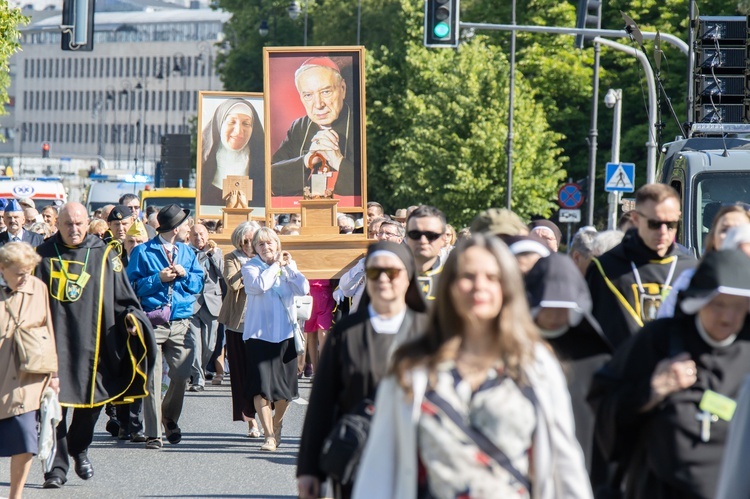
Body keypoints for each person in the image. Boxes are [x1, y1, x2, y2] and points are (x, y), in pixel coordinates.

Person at [352, 235, 592, 499]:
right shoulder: (413, 364)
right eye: (468, 276)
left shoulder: (536, 363)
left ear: (508, 288)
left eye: (492, 277)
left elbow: (564, 462)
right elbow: (380, 464)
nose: (480, 287)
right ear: (450, 286)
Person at [588, 249, 750, 499]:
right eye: (718, 304)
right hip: (657, 489)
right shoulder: (659, 340)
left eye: (738, 307)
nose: (728, 317)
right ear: (700, 299)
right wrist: (652, 390)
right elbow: (603, 404)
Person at [36, 202, 155, 488]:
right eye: (67, 224)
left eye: (78, 224)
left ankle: (79, 447)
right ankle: (56, 467)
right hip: (54, 343)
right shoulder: (42, 255)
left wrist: (131, 319)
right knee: (53, 408)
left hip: (96, 344)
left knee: (91, 406)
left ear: (87, 223)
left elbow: (124, 297)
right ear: (58, 225)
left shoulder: (104, 255)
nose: (74, 229)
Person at [297, 241, 428, 499]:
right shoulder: (346, 333)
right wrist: (308, 469)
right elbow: (322, 403)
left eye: (392, 272)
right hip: (358, 454)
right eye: (374, 272)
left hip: (419, 454)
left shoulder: (429, 331)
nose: (383, 279)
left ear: (409, 276)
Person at [524, 252, 612, 485]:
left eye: (563, 306)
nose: (555, 315)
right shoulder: (514, 349)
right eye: (548, 306)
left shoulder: (596, 356)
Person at [127, 204, 204, 450]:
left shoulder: (186, 252)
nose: (188, 228)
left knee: (181, 375)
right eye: (185, 224)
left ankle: (168, 417)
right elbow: (130, 286)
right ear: (175, 228)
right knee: (151, 377)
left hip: (180, 321)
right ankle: (153, 433)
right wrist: (157, 279)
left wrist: (185, 275)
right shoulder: (143, 251)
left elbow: (198, 282)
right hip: (152, 321)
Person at [586, 184, 695, 349]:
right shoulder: (605, 268)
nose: (663, 232)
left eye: (671, 224)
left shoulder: (691, 269)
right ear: (636, 219)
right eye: (654, 223)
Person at [242, 227, 310, 451]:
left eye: (270, 243)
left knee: (284, 392)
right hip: (258, 336)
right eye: (261, 244)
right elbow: (259, 286)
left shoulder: (288, 266)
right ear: (255, 249)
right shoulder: (251, 267)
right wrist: (275, 266)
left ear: (278, 245)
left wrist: (289, 268)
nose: (266, 247)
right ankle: (268, 435)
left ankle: (277, 425)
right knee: (261, 388)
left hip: (285, 336)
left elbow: (303, 289)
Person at [0, 242, 58, 499]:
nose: (25, 278)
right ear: (2, 269)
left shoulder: (39, 288)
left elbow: (48, 329)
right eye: (19, 272)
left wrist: (54, 375)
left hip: (26, 378)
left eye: (29, 271)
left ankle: (16, 495)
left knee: (25, 441)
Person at [271, 57, 359, 198]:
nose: (318, 104)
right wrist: (307, 160)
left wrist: (337, 160)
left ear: (342, 89)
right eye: (308, 95)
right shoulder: (299, 127)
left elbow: (370, 183)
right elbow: (270, 178)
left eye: (326, 92)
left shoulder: (359, 124)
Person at [658, 204, 750, 319]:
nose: (732, 236)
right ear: (713, 237)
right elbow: (665, 324)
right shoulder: (690, 279)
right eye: (725, 230)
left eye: (739, 230)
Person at [217, 221, 262, 437]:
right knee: (241, 374)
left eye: (253, 240)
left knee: (262, 373)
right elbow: (233, 284)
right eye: (245, 241)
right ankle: (251, 421)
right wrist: (253, 269)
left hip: (264, 324)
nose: (249, 245)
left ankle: (266, 416)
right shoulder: (231, 257)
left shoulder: (267, 256)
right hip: (239, 324)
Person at [201, 98, 265, 207]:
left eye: (246, 123)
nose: (238, 131)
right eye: (231, 122)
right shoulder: (204, 159)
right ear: (220, 124)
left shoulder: (262, 163)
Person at [187, 223, 224, 392]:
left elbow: (223, 274)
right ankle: (198, 378)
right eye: (195, 235)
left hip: (212, 303)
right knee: (195, 344)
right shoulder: (185, 252)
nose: (199, 238)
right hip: (192, 303)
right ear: (189, 236)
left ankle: (199, 369)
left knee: (209, 345)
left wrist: (213, 255)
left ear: (207, 235)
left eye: (201, 234)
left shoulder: (216, 252)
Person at [404, 205, 447, 302]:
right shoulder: (388, 278)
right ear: (406, 237)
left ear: (443, 239)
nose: (423, 240)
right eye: (415, 234)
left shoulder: (453, 280)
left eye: (431, 235)